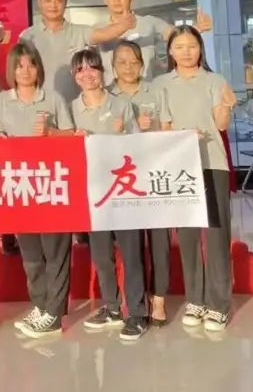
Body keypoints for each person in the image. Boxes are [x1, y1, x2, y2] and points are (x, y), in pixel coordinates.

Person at [152, 26, 237, 332]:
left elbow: (221, 125)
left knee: (216, 234)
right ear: (170, 52)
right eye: (179, 47)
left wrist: (226, 105)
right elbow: (163, 127)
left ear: (201, 48)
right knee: (187, 236)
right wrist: (183, 138)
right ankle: (195, 300)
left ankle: (218, 304)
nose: (186, 52)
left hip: (212, 162)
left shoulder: (215, 80)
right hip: (180, 167)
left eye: (192, 45)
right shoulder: (161, 84)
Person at [0, 42, 75, 338]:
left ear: (39, 67)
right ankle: (40, 306)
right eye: (19, 65)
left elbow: (71, 136)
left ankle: (54, 314)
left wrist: (51, 133)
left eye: (31, 64)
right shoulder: (1, 101)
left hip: (51, 185)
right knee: (31, 255)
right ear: (11, 70)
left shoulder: (53, 98)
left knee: (56, 253)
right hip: (20, 187)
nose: (25, 71)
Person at [69, 48, 149, 342]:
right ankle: (112, 307)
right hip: (93, 192)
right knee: (101, 254)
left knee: (131, 253)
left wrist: (124, 131)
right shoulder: (72, 109)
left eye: (93, 68)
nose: (87, 74)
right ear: (74, 76)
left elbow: (138, 146)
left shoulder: (122, 105)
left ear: (103, 72)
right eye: (80, 70)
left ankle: (137, 312)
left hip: (123, 191)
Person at [109, 39, 170, 326]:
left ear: (142, 65)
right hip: (123, 180)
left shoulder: (155, 91)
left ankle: (159, 299)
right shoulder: (106, 95)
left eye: (134, 62)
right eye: (122, 62)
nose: (128, 67)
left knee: (159, 240)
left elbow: (169, 128)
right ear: (113, 66)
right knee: (130, 244)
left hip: (154, 173)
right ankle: (136, 300)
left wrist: (153, 128)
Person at [19, 0, 130, 104]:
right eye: (48, 1)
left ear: (66, 2)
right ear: (39, 2)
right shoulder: (27, 37)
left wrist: (125, 24)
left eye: (58, 0)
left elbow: (104, 34)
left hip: (75, 106)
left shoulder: (79, 32)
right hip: (40, 105)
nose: (53, 6)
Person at [94, 0, 213, 80]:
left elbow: (177, 36)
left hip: (146, 91)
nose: (116, 0)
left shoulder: (149, 22)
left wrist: (198, 28)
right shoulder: (96, 30)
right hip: (111, 93)